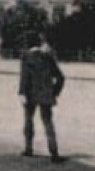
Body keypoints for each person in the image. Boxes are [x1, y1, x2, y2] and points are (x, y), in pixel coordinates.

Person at [19, 34, 66, 162]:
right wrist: (54, 92)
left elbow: (24, 77)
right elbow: (61, 77)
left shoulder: (26, 57)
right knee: (48, 122)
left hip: (30, 94)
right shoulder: (48, 57)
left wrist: (22, 93)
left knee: (28, 120)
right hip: (46, 95)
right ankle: (54, 151)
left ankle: (28, 148)